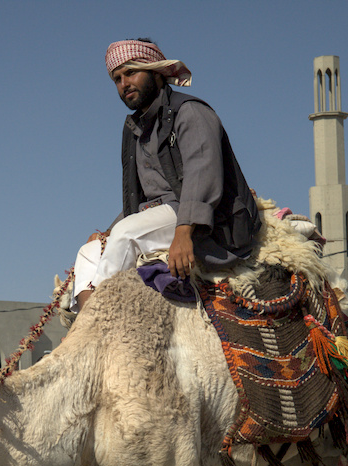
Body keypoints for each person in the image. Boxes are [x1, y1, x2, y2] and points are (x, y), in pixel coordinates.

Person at [72, 38, 260, 310]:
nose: (124, 84)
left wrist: (184, 233)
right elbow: (141, 200)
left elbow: (203, 175)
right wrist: (107, 233)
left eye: (131, 72)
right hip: (162, 215)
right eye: (117, 78)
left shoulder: (191, 112)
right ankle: (87, 326)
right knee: (88, 252)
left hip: (211, 222)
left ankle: (103, 319)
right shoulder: (134, 130)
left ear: (157, 72)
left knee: (126, 235)